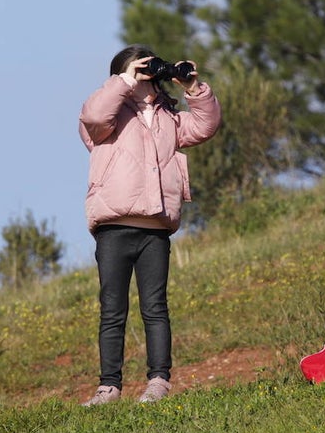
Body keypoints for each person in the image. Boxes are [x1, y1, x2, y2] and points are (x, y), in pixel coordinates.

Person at [77, 44, 222, 404]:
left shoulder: (169, 118)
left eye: (148, 70)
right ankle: (108, 387)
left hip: (155, 227)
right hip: (114, 226)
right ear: (121, 75)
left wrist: (192, 88)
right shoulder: (106, 117)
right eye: (138, 70)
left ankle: (159, 382)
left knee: (155, 307)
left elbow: (206, 125)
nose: (145, 76)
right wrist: (125, 81)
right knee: (112, 310)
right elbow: (94, 117)